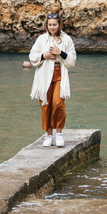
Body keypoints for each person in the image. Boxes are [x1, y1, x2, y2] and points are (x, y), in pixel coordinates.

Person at [29, 12, 77, 147]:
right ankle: (49, 135)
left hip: (59, 73)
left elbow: (72, 60)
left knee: (58, 103)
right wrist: (43, 56)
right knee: (45, 104)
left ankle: (59, 133)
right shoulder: (41, 39)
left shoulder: (66, 39)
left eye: (54, 25)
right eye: (50, 25)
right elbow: (32, 57)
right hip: (44, 75)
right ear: (47, 25)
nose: (52, 27)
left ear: (59, 25)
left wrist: (60, 53)